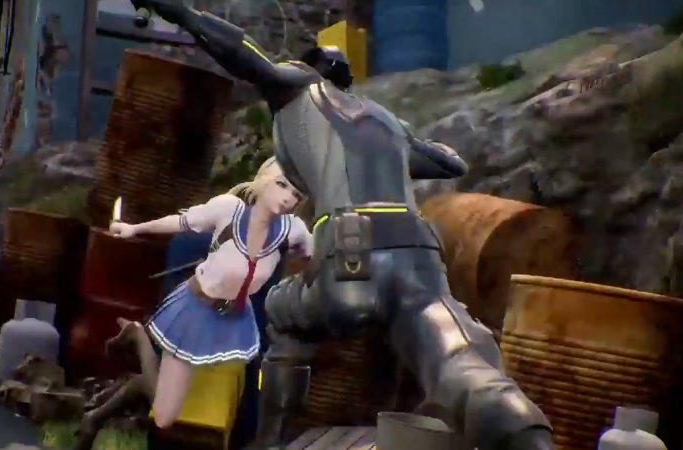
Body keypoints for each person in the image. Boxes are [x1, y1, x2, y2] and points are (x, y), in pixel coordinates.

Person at [128, 2, 555, 450]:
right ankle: (525, 434)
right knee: (458, 355)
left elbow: (239, 48)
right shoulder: (385, 122)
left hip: (350, 249)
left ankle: (269, 441)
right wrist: (402, 145)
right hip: (417, 253)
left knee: (281, 312)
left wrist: (174, 10)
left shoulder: (300, 90)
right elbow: (451, 164)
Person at [73, 157, 312, 450]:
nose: (287, 197)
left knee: (227, 415)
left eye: (296, 193)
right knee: (168, 415)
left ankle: (134, 352)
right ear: (263, 182)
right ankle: (139, 338)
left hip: (239, 319)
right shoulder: (228, 210)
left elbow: (320, 256)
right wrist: (134, 229)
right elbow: (181, 222)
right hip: (196, 308)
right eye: (281, 185)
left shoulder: (292, 230)